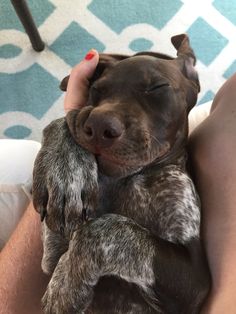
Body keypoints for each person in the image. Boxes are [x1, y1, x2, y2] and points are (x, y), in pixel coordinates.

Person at [0, 47, 235, 313]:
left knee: (19, 159)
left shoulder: (172, 185)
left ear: (191, 82)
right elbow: (54, 253)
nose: (106, 114)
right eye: (100, 94)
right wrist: (70, 127)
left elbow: (190, 293)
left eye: (156, 90)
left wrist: (97, 241)